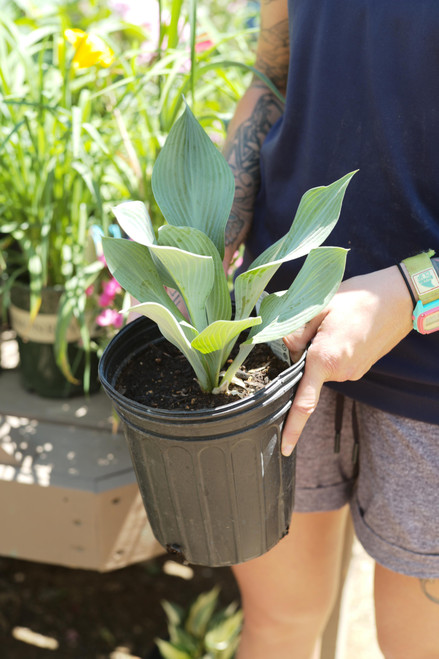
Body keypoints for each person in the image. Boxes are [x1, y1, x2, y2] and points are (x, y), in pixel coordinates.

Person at [222, 1, 439, 657]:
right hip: (279, 334)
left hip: (429, 387)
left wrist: (405, 294)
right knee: (277, 624)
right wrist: (215, 210)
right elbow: (275, 65)